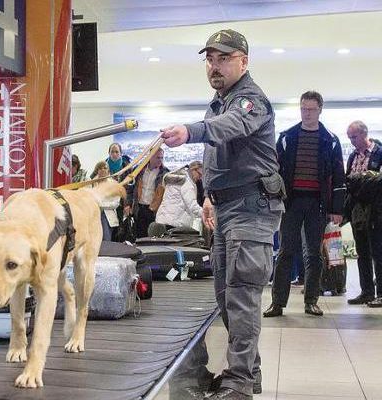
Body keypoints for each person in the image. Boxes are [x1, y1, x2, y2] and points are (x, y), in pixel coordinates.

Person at [161, 29, 283, 399]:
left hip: (252, 209)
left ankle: (240, 382)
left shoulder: (249, 100)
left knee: (242, 296)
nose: (215, 66)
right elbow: (223, 152)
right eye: (210, 60)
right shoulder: (220, 101)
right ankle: (249, 371)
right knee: (226, 297)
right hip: (229, 207)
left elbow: (230, 129)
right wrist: (211, 195)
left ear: (243, 62)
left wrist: (191, 131)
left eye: (224, 59)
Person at [263, 91, 346, 318]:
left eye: (310, 109)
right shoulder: (287, 137)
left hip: (317, 203)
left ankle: (311, 300)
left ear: (320, 110)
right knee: (285, 252)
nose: (306, 113)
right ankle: (278, 303)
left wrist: (336, 209)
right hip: (292, 202)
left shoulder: (330, 140)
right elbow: (274, 170)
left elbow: (339, 175)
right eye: (303, 109)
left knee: (314, 254)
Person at [343, 121, 382, 307]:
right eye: (349, 137)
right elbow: (349, 181)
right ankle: (366, 291)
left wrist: (364, 181)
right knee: (362, 252)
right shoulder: (352, 157)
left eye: (354, 137)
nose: (352, 141)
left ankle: (381, 293)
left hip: (376, 209)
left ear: (364, 134)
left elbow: (377, 182)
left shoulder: (379, 153)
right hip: (357, 209)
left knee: (378, 251)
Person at [125, 148, 168, 238]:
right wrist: (127, 204)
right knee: (139, 236)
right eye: (158, 158)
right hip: (139, 208)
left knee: (153, 237)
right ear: (150, 157)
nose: (160, 160)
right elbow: (130, 189)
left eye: (162, 158)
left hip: (154, 210)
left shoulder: (165, 173)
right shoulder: (138, 170)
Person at [155, 161, 204, 232]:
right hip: (175, 223)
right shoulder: (187, 183)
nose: (200, 178)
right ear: (193, 169)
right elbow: (193, 207)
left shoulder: (175, 179)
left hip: (162, 220)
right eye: (199, 174)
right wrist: (207, 214)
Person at [91, 161, 117, 241]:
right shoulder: (91, 183)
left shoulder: (114, 184)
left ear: (108, 170)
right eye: (100, 168)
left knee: (106, 241)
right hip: (93, 215)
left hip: (107, 215)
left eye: (105, 168)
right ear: (97, 170)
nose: (102, 170)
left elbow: (116, 203)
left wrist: (101, 205)